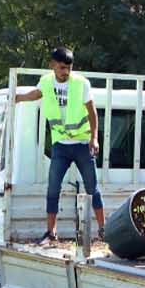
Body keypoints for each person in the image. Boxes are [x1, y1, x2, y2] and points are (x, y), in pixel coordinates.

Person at [12, 46, 103, 245]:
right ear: (52, 65)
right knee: (53, 188)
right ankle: (51, 233)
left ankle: (104, 231)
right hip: (60, 146)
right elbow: (37, 93)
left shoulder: (81, 84)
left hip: (81, 144)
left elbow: (92, 113)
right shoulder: (46, 81)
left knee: (92, 188)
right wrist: (18, 98)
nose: (66, 72)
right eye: (62, 68)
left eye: (69, 68)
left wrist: (94, 138)